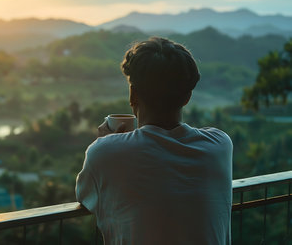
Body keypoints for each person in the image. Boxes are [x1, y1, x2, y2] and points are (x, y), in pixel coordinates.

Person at [75, 37, 233, 244]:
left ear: (133, 94)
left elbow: (86, 199)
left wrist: (108, 144)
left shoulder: (104, 152)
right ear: (187, 97)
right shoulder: (219, 145)